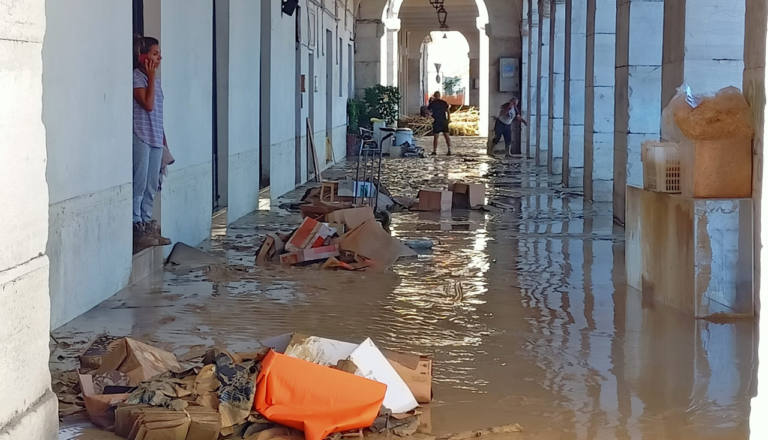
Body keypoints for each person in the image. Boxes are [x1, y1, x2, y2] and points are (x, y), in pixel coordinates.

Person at [133, 36, 171, 251]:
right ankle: (136, 224)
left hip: (156, 137)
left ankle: (146, 223)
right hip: (142, 135)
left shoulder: (154, 81)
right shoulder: (138, 78)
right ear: (143, 56)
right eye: (155, 54)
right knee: (139, 182)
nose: (160, 57)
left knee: (151, 184)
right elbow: (147, 105)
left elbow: (158, 111)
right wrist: (150, 75)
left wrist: (165, 141)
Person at [427, 91, 452, 156]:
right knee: (447, 136)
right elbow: (448, 111)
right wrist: (449, 119)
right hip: (444, 121)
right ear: (440, 96)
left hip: (436, 121)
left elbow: (428, 112)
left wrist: (430, 118)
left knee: (436, 137)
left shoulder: (432, 103)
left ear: (434, 96)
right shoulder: (444, 102)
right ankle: (449, 150)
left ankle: (434, 151)